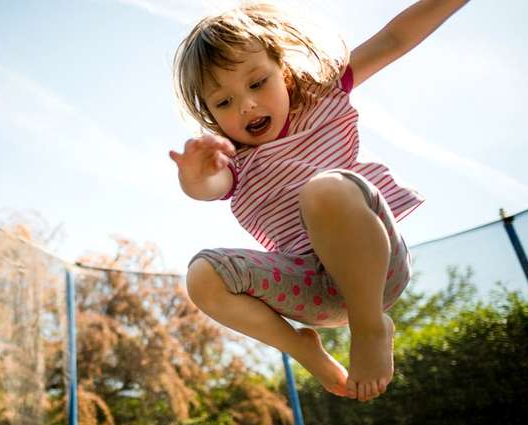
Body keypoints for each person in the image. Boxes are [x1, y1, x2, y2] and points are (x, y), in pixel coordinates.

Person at [169, 0, 469, 402]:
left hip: (376, 270)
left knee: (323, 189)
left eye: (258, 83)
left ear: (285, 72)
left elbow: (394, 38)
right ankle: (303, 350)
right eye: (224, 102)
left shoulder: (322, 98)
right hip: (311, 291)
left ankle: (370, 327)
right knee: (202, 275)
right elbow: (209, 186)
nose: (247, 105)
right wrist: (195, 176)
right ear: (210, 113)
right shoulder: (234, 160)